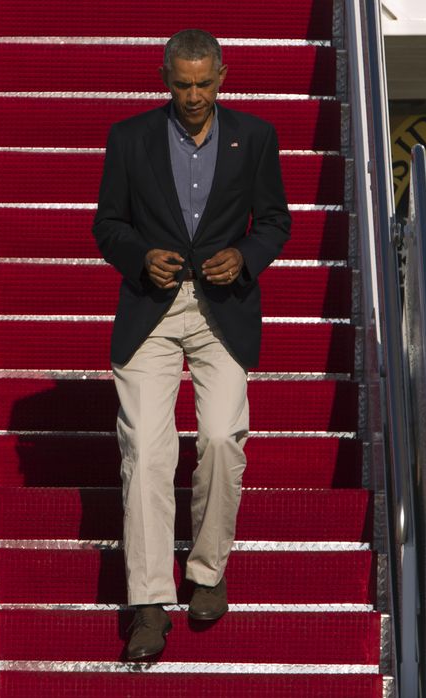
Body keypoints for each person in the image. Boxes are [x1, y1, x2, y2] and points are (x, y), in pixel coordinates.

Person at [92, 28, 291, 661]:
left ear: (223, 76)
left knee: (220, 439)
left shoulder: (255, 136)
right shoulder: (130, 138)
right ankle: (148, 604)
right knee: (147, 454)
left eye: (205, 82)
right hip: (151, 310)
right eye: (183, 84)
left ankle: (206, 572)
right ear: (165, 78)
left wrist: (246, 254)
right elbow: (107, 224)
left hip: (223, 311)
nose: (195, 95)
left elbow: (276, 220)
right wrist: (139, 256)